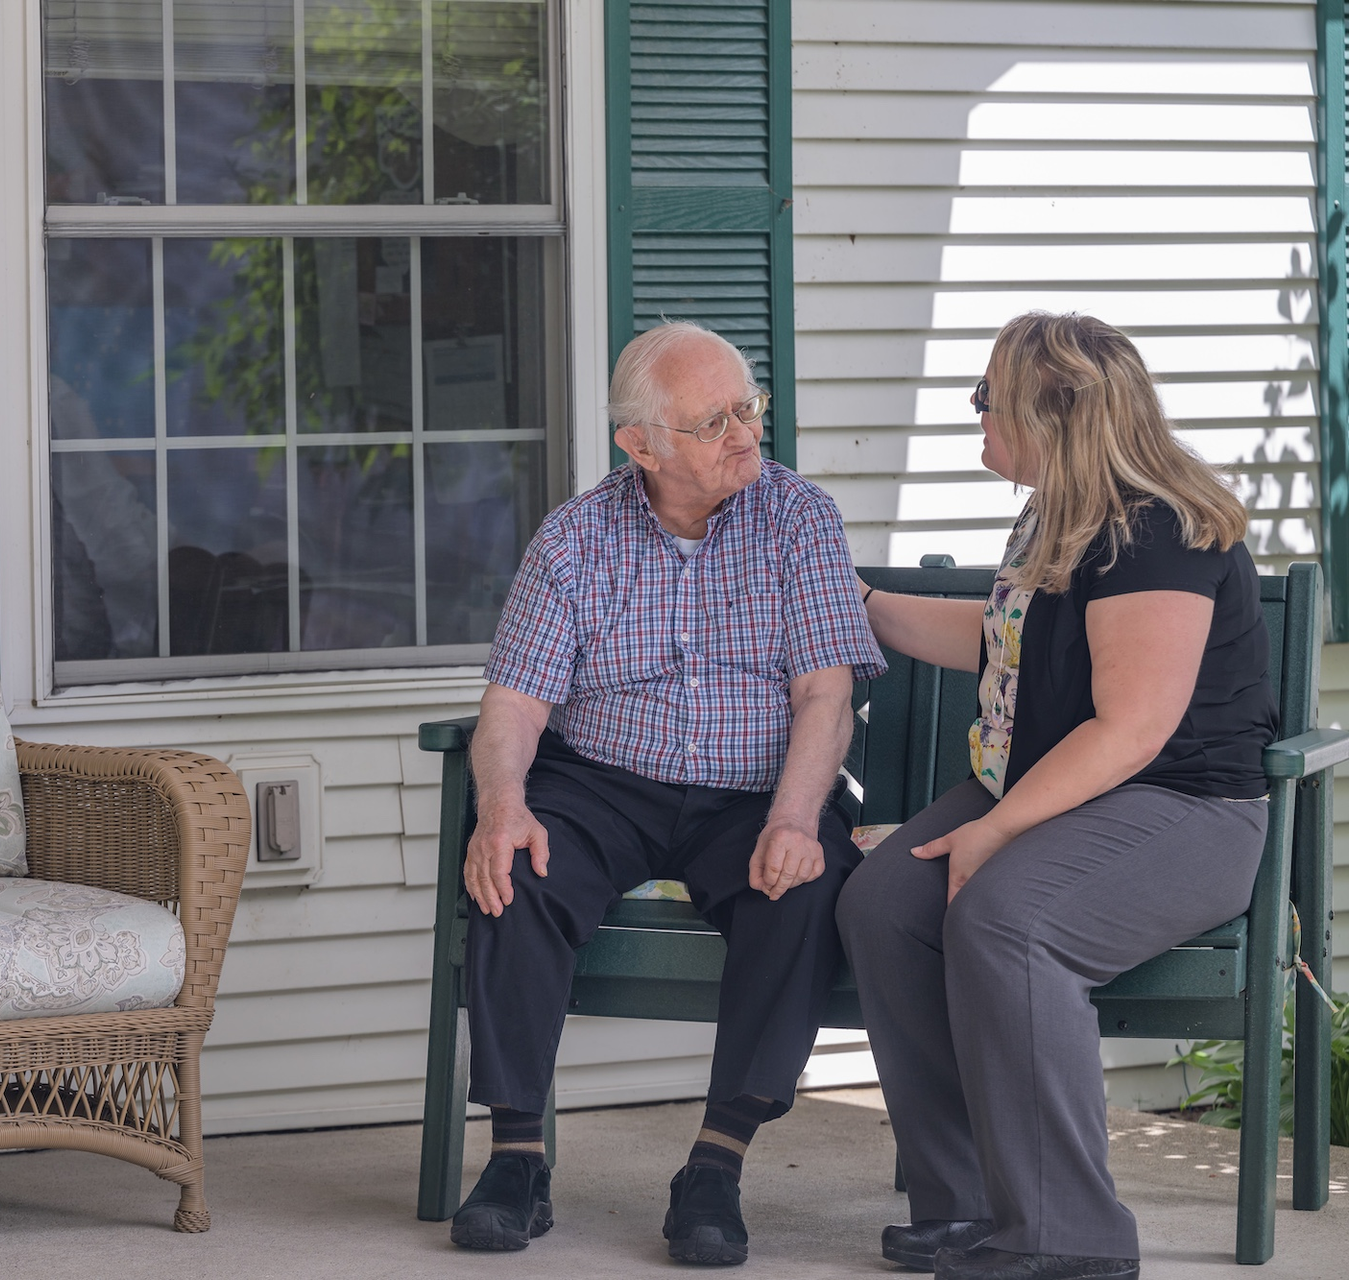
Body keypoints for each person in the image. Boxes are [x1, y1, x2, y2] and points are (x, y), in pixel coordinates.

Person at [836, 312, 1276, 1280]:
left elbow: (1133, 728)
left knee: (1006, 921)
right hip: (1070, 790)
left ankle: (1067, 1234)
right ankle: (966, 1207)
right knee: (884, 903)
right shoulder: (1059, 512)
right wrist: (857, 601)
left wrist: (992, 829)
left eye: (988, 396)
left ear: (1054, 412)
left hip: (1186, 810)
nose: (976, 412)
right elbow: (1004, 640)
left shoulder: (1152, 529)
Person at [450, 321, 886, 1264]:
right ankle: (516, 1158)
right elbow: (515, 706)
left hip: (751, 793)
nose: (745, 434)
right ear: (640, 445)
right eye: (713, 420)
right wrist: (501, 805)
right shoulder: (574, 537)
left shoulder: (799, 519)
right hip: (605, 785)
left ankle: (715, 1166)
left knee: (802, 885)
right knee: (513, 863)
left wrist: (794, 819)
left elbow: (826, 694)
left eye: (748, 408)